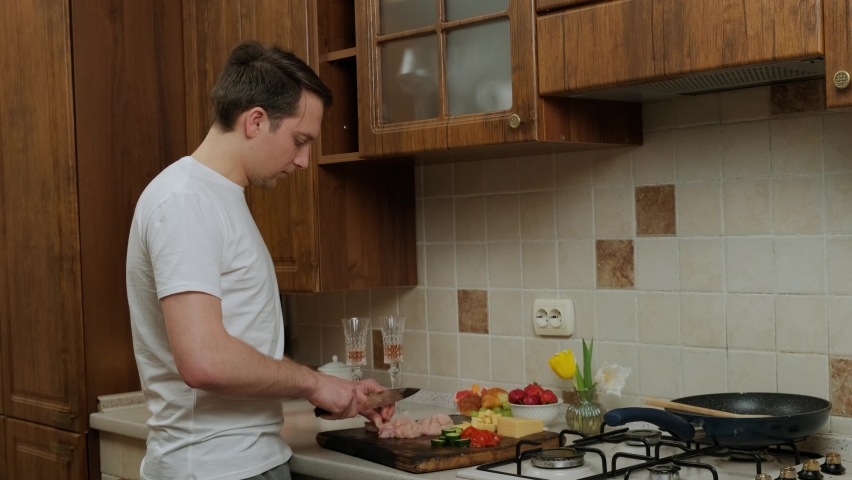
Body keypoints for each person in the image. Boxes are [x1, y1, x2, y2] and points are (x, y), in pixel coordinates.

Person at [126, 41, 393, 480]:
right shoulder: (185, 202)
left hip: (245, 462)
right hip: (213, 469)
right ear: (255, 121)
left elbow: (238, 347)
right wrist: (314, 383)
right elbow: (204, 361)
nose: (304, 160)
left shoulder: (216, 197)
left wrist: (331, 388)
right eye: (299, 140)